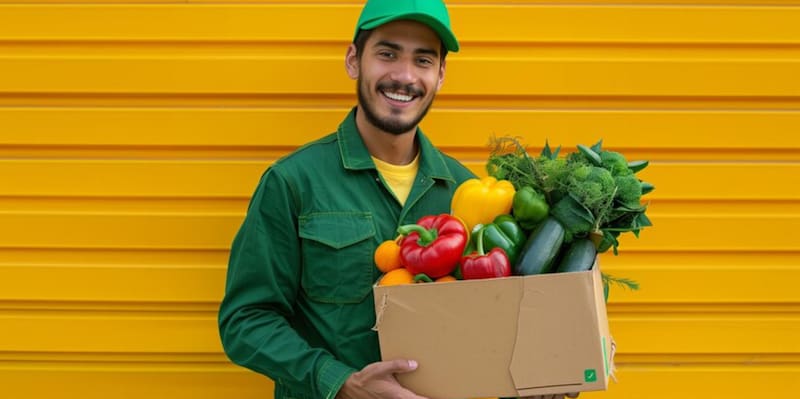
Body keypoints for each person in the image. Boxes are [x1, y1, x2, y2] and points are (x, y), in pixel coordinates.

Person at [218, 1, 577, 399]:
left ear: (439, 75)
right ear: (354, 61)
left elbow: (498, 323)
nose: (404, 76)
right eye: (387, 53)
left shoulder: (470, 193)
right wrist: (338, 382)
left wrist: (559, 355)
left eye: (422, 60)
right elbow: (245, 321)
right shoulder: (293, 182)